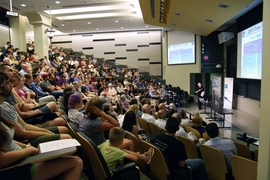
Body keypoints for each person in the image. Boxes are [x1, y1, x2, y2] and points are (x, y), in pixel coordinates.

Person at [0, 109, 83, 180]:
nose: (11, 88)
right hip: (18, 167)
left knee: (66, 155)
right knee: (77, 162)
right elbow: (2, 160)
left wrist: (27, 147)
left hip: (24, 157)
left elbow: (9, 141)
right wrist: (29, 150)